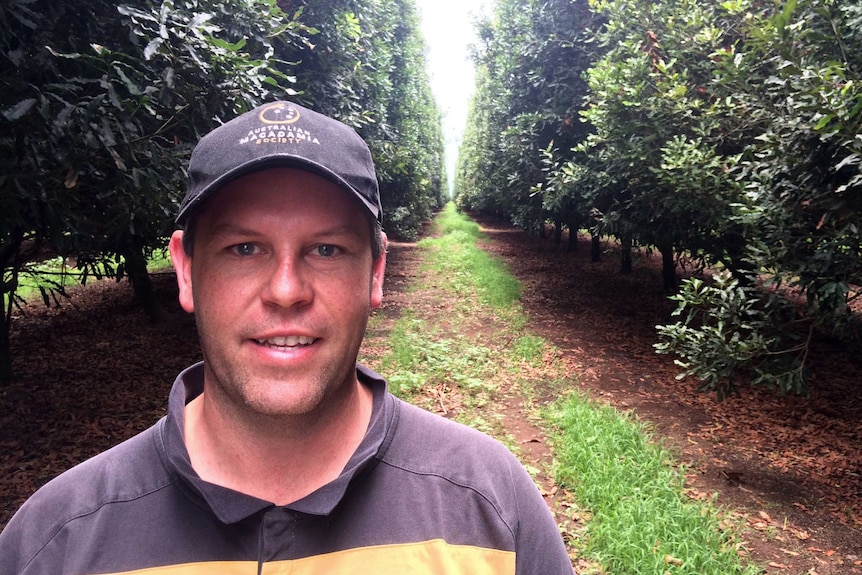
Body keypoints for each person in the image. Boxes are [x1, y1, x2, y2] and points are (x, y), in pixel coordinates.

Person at [0, 101, 575, 574]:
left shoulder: (490, 508)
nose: (285, 290)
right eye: (243, 249)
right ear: (186, 270)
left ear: (374, 273)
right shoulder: (57, 544)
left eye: (327, 250)